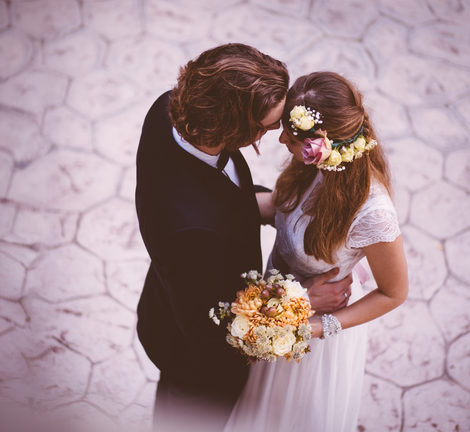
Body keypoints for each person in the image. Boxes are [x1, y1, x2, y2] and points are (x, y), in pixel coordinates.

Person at [135, 46, 355, 432]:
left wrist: (284, 205)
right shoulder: (192, 232)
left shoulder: (170, 109)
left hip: (172, 294)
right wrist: (303, 301)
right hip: (199, 367)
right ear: (233, 131)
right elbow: (206, 326)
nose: (280, 133)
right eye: (269, 127)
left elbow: (216, 195)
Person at [224, 72, 409, 432]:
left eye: (291, 138)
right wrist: (213, 207)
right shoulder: (312, 164)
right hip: (272, 308)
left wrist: (317, 326)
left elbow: (394, 293)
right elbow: (280, 207)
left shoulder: (373, 214)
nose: (280, 139)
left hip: (311, 333)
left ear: (322, 144)